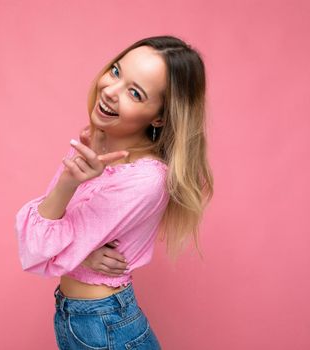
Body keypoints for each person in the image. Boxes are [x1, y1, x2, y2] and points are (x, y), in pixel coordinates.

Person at [14, 35, 214, 349]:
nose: (110, 91)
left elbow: (40, 248)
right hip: (79, 318)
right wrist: (80, 250)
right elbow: (40, 240)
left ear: (159, 117)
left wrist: (73, 244)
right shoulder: (97, 144)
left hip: (106, 325)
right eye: (117, 72)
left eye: (135, 93)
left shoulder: (147, 179)